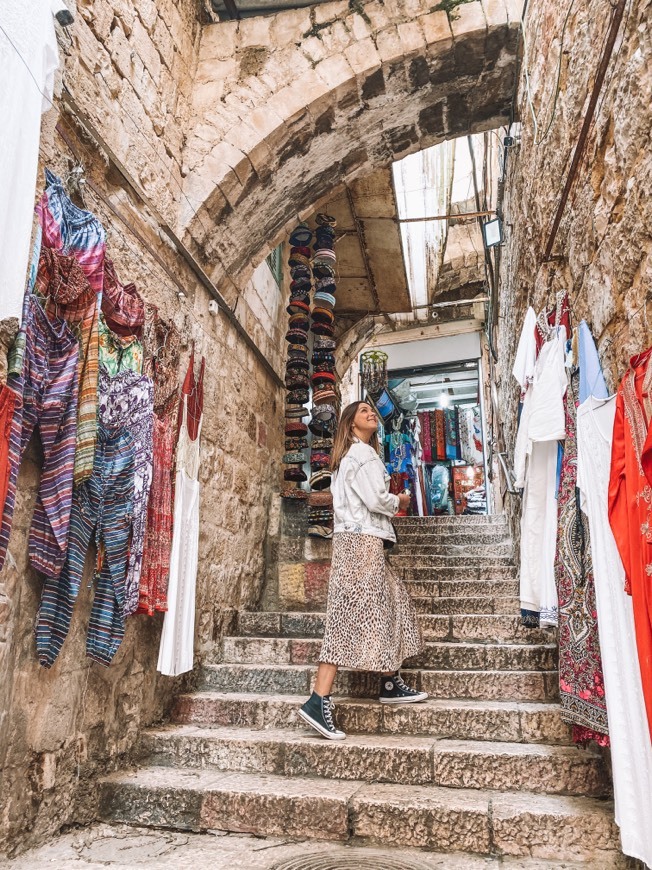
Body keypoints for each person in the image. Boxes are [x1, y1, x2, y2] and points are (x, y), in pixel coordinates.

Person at [299, 400, 427, 741]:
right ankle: (318, 700)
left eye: (372, 411)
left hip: (357, 541)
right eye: (363, 412)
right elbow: (377, 501)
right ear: (351, 424)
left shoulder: (352, 456)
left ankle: (388, 679)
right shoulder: (362, 455)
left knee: (393, 601)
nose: (371, 414)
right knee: (345, 618)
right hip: (361, 543)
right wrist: (399, 501)